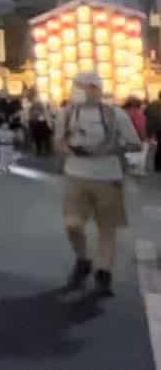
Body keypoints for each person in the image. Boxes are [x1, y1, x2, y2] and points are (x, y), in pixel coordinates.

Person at [57, 71, 141, 298]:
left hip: (109, 177)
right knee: (72, 224)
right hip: (75, 175)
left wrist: (110, 148)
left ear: (97, 89)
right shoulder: (66, 113)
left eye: (85, 86)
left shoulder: (116, 114)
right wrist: (73, 149)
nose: (81, 90)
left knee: (107, 227)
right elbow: (58, 143)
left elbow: (134, 143)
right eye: (78, 86)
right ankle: (82, 259)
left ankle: (103, 273)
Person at [23, 88, 53, 156]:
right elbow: (30, 113)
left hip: (37, 122)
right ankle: (42, 150)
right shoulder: (30, 102)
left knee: (40, 137)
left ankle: (42, 150)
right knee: (40, 137)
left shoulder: (34, 102)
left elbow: (42, 112)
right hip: (36, 122)